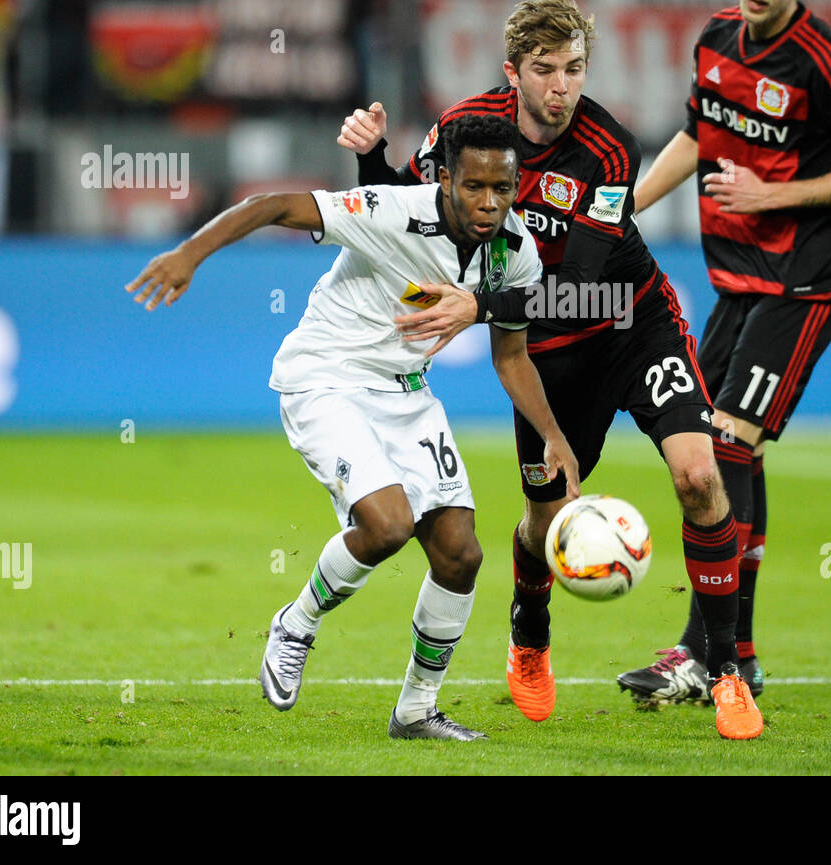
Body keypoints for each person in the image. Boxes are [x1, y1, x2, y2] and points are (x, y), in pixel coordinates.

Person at [336, 0, 763, 739]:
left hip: (631, 322)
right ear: (513, 73)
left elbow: (584, 281)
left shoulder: (607, 148)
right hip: (549, 355)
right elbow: (403, 207)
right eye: (545, 70)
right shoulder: (468, 130)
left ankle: (726, 671)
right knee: (545, 519)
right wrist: (370, 156)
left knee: (700, 476)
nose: (561, 86)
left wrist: (476, 302)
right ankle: (530, 629)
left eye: (573, 69)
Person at [125, 114, 580, 740]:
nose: (488, 203)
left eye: (502, 189)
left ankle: (417, 710)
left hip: (405, 392)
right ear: (445, 179)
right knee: (388, 525)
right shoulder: (390, 210)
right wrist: (188, 253)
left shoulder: (516, 249)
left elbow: (511, 356)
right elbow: (273, 205)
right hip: (326, 377)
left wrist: (553, 435)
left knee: (461, 554)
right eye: (474, 187)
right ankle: (297, 623)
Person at [619, 0, 831, 701]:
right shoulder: (714, 41)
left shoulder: (828, 63)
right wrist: (624, 207)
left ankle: (709, 651)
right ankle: (732, 652)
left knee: (728, 445)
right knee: (711, 447)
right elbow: (697, 134)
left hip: (805, 280)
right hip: (735, 278)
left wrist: (772, 195)